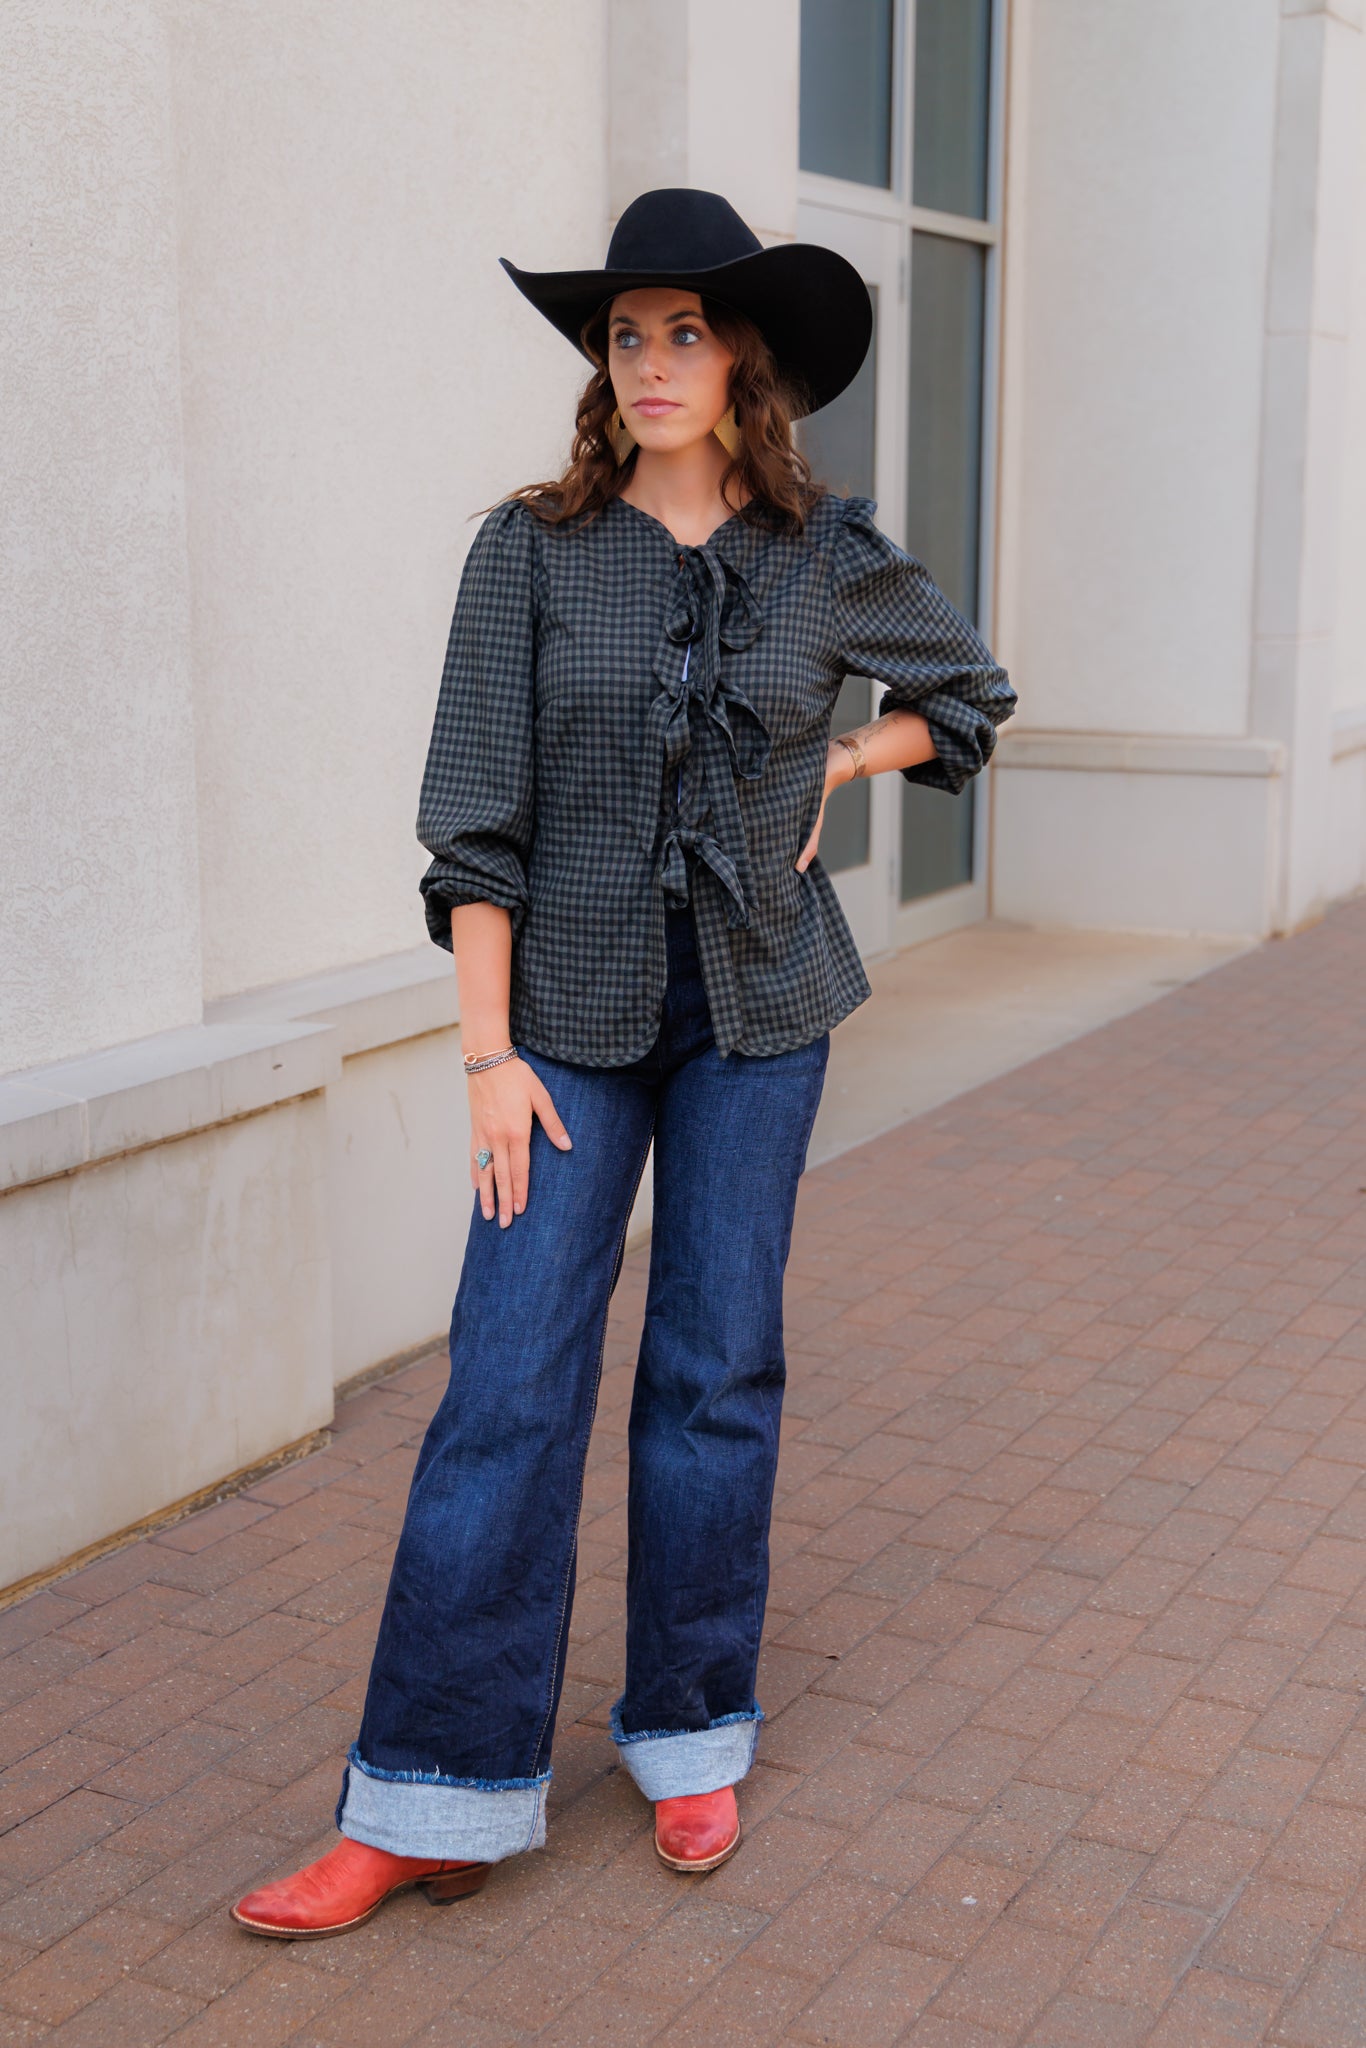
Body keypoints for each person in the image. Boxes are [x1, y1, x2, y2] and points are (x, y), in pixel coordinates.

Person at [231, 187, 1015, 1941]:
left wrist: (839, 762)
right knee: (505, 1388)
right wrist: (485, 1059)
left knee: (715, 1371)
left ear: (742, 361)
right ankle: (428, 1795)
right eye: (624, 334)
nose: (650, 361)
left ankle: (688, 1733)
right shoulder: (529, 549)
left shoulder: (826, 557)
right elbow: (472, 824)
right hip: (561, 1032)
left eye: (684, 331)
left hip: (760, 1017)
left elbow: (969, 695)